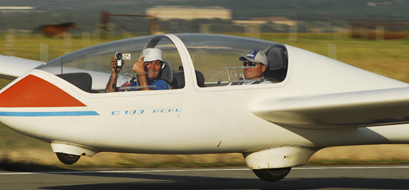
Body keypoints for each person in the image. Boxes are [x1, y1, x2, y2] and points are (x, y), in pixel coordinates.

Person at [106, 48, 170, 92]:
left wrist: (141, 73)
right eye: (148, 63)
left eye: (157, 63)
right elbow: (110, 94)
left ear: (161, 66)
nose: (152, 67)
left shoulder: (161, 84)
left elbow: (148, 98)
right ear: (141, 65)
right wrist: (115, 73)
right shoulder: (134, 84)